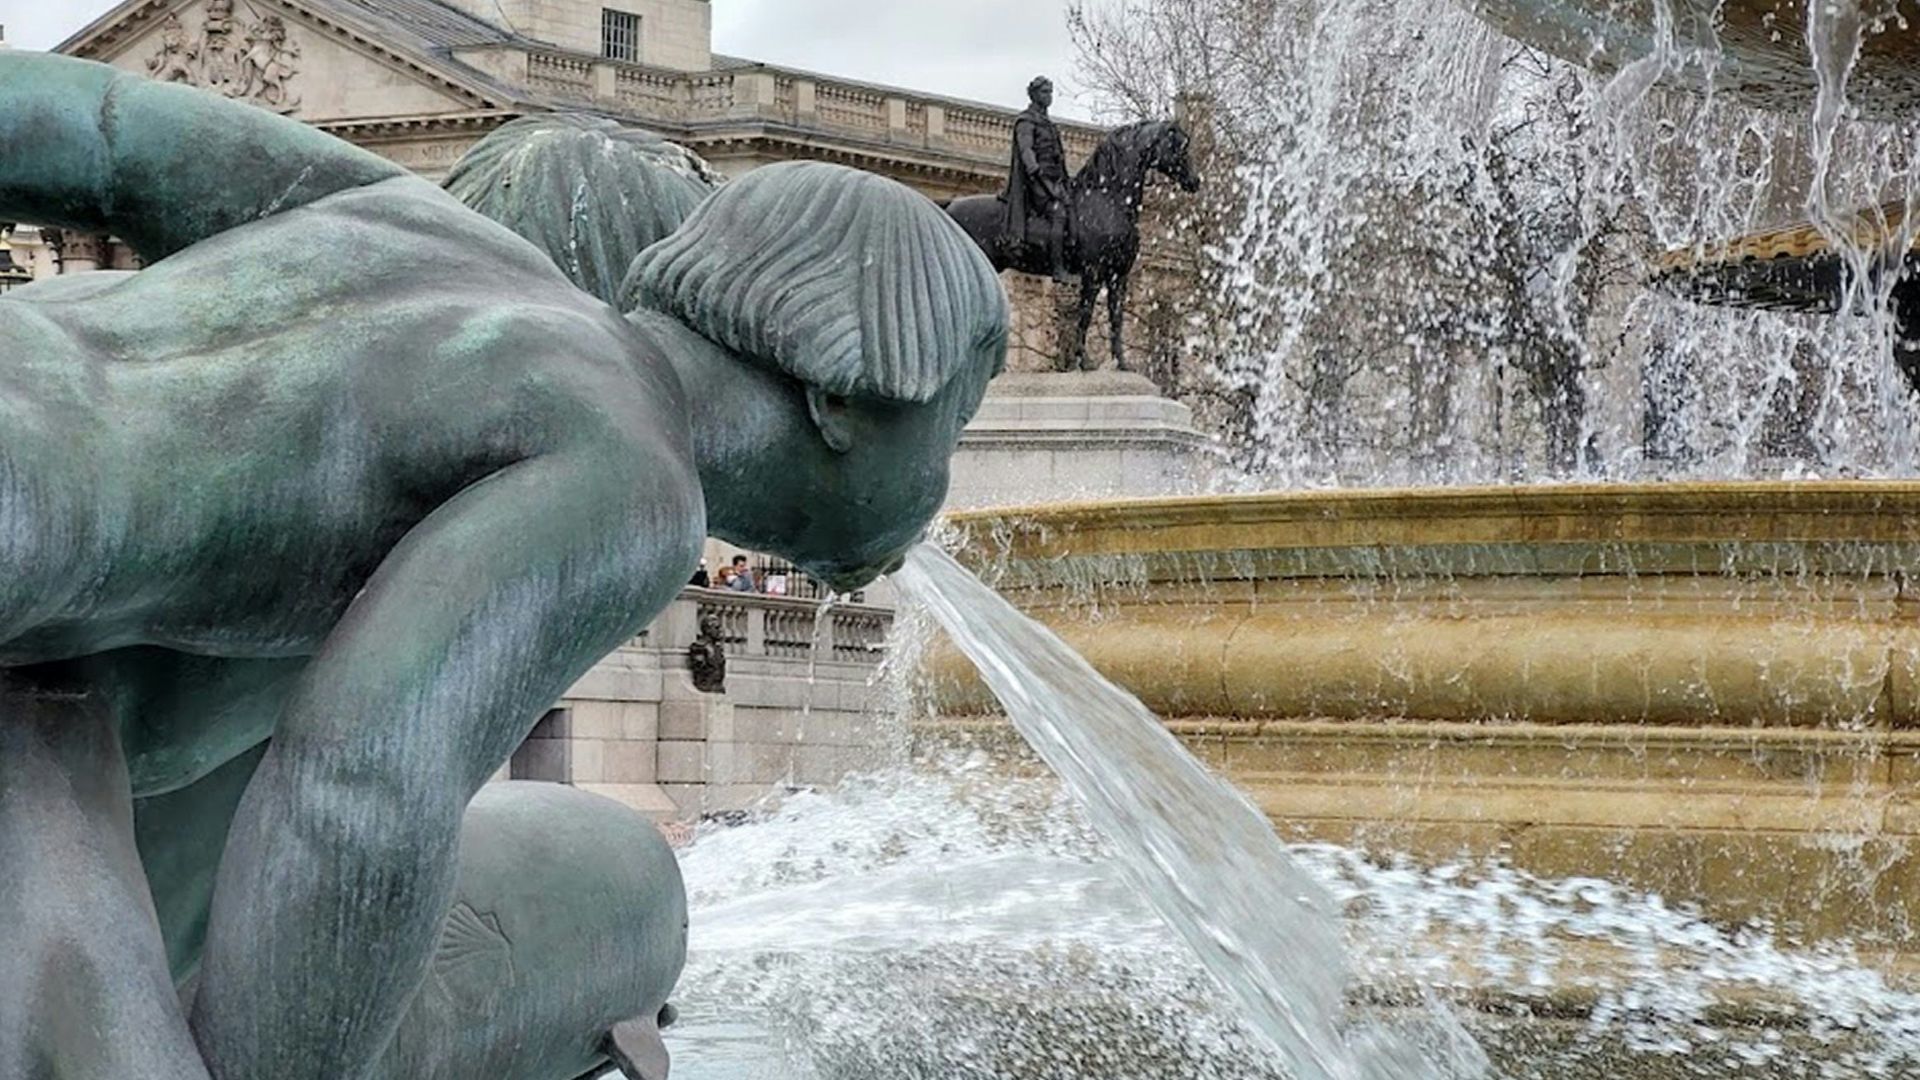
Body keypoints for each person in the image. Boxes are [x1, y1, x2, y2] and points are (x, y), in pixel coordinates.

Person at [0, 52, 1007, 1080]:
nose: (942, 483)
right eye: (952, 427)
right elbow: (360, 784)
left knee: (46, 749)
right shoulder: (637, 476)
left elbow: (98, 125)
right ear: (840, 396)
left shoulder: (422, 227)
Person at [1007, 75, 1075, 284]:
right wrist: (1034, 168)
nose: (1049, 96)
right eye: (1045, 92)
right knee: (1058, 214)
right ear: (1035, 95)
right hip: (1036, 182)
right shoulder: (1026, 121)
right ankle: (1057, 268)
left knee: (1075, 209)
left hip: (1054, 181)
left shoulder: (1049, 125)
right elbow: (1026, 149)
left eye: (1050, 92)